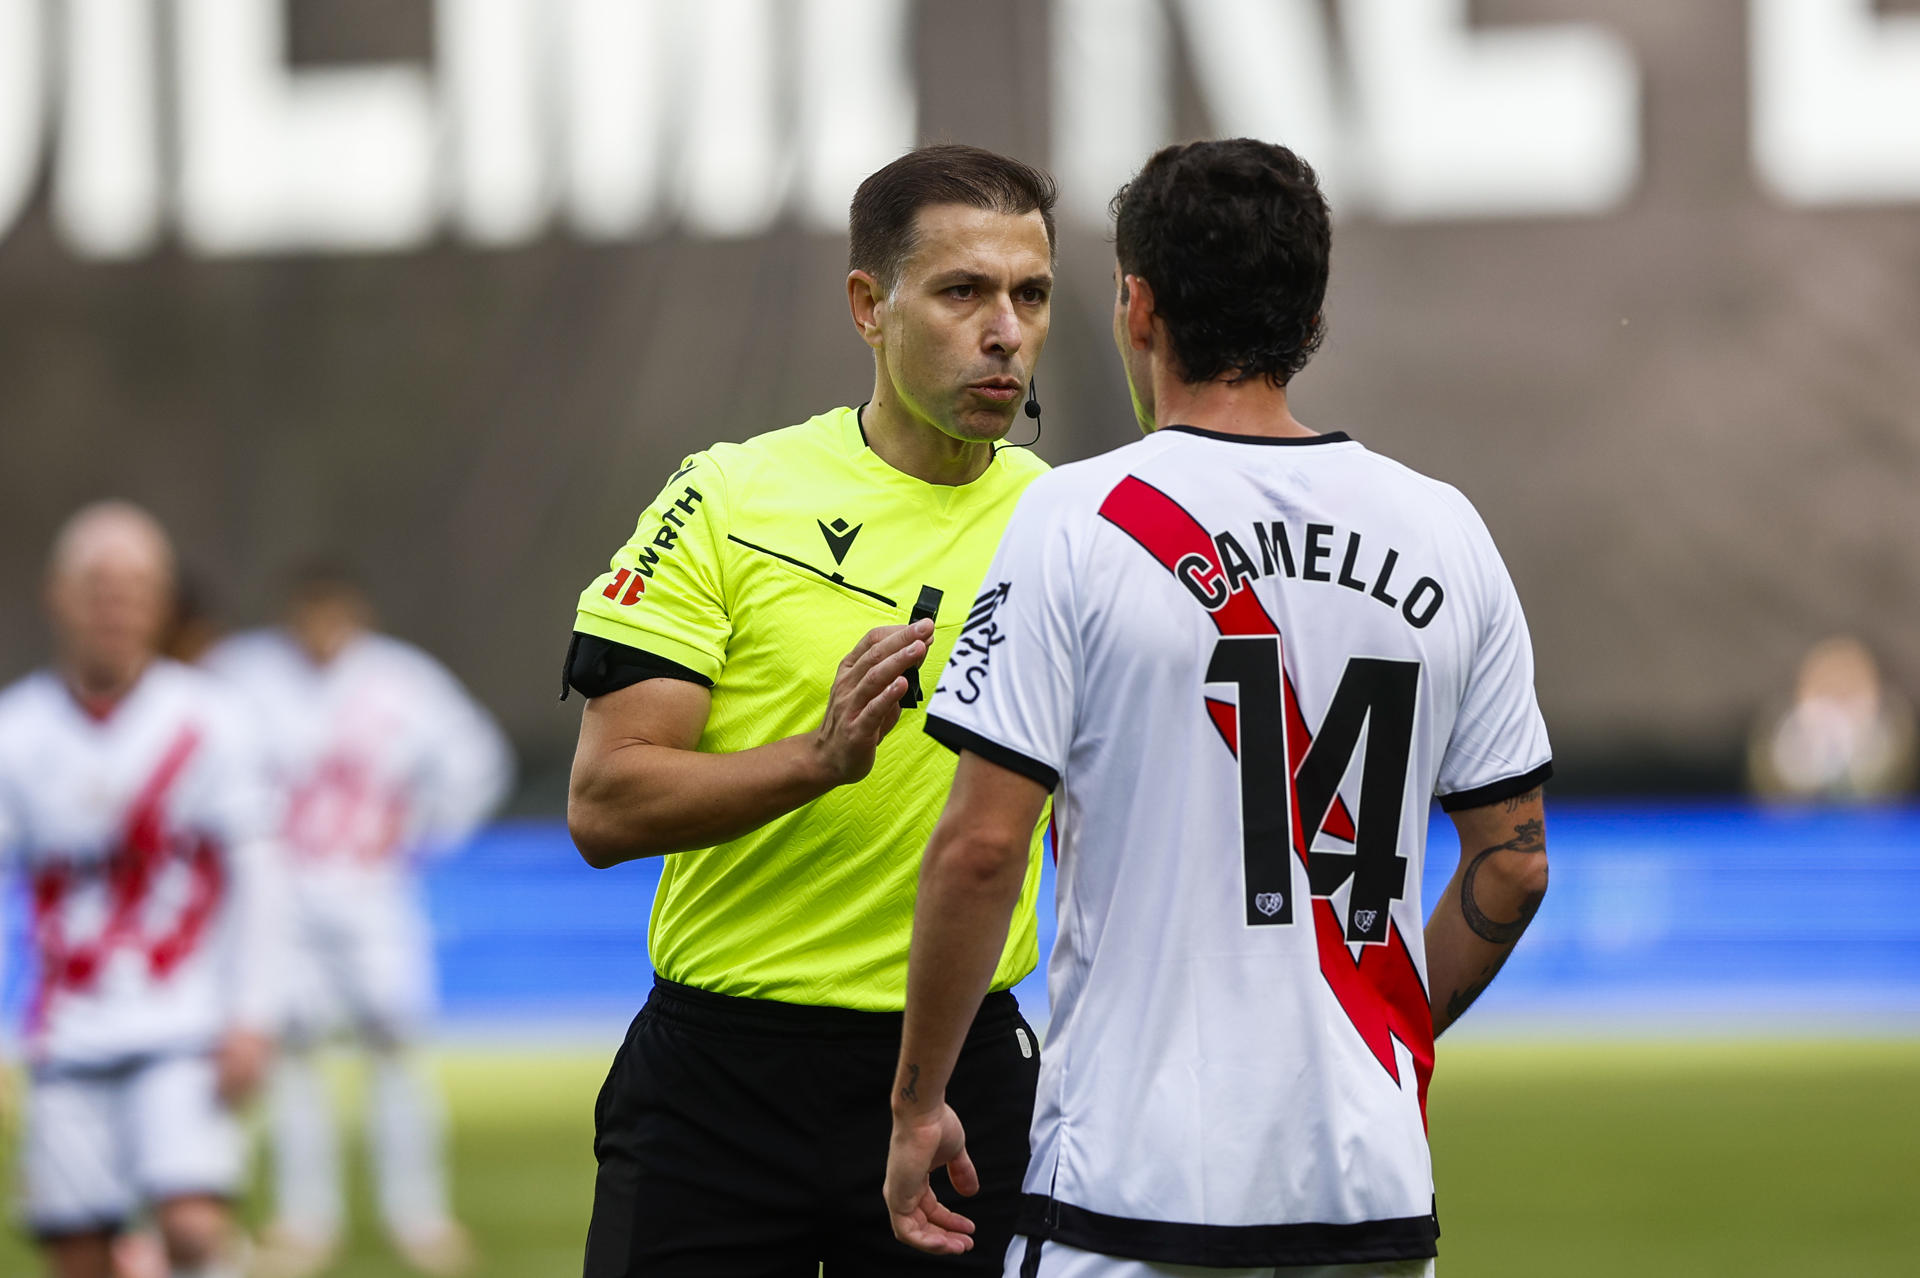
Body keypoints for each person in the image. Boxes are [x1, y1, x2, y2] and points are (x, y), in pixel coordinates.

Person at [884, 138, 1555, 1278]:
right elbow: (1515, 864)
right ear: (1312, 315)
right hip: (1369, 1194)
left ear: (1136, 306)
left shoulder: (1077, 520)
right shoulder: (1445, 528)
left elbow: (985, 847)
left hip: (1129, 1194)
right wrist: (1374, 1034)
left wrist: (915, 1105)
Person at [564, 143, 1058, 1276]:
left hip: (965, 1077)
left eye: (1029, 294)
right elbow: (603, 802)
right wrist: (819, 760)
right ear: (867, 308)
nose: (1006, 330)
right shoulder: (732, 497)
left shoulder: (1073, 527)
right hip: (719, 1084)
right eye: (962, 292)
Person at [0, 501, 287, 1278]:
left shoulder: (213, 720)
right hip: (66, 1036)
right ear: (57, 595)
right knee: (79, 1254)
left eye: (133, 586)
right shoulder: (17, 732)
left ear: (161, 603)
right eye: (96, 584)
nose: (114, 604)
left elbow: (257, 877)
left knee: (193, 1227)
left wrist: (252, 1017)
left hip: (184, 1027)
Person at [202, 563, 513, 1278]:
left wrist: (426, 832)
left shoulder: (402, 681)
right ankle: (304, 1219)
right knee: (294, 1057)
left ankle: (419, 1214)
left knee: (397, 1047)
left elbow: (476, 762)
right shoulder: (245, 675)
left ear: (356, 615)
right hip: (284, 898)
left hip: (374, 894)